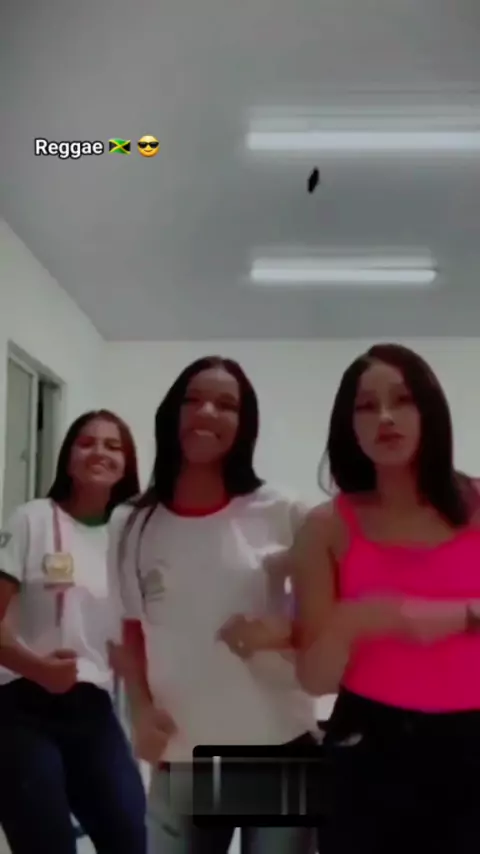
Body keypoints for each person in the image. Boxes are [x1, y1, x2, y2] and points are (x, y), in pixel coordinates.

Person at [108, 356, 320, 854]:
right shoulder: (132, 521)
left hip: (276, 746)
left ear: (245, 424)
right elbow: (130, 630)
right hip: (184, 753)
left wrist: (280, 633)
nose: (207, 412)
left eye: (226, 405)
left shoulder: (283, 509)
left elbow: (329, 615)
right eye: (194, 399)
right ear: (172, 413)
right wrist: (140, 710)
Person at [288, 343, 480, 853]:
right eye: (367, 406)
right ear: (349, 426)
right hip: (368, 745)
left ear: (430, 411)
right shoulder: (326, 527)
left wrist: (450, 615)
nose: (386, 417)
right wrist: (352, 622)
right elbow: (314, 678)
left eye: (402, 400)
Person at [0, 410, 147, 854]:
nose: (99, 452)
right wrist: (37, 668)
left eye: (112, 446)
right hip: (21, 705)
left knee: (134, 838)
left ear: (127, 463)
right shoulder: (32, 519)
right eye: (86, 442)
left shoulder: (131, 537)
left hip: (93, 709)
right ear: (68, 458)